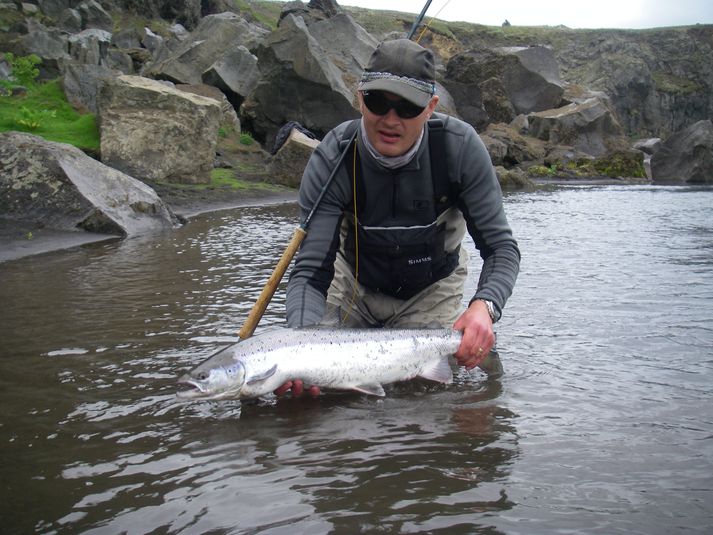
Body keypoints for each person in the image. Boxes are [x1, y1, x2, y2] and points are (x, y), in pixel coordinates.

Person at [278, 39, 520, 397]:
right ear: (359, 97)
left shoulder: (459, 148)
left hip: (431, 288)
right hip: (353, 286)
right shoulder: (334, 158)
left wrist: (485, 307)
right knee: (316, 387)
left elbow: (501, 249)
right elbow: (311, 273)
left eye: (407, 107)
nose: (390, 120)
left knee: (437, 396)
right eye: (378, 102)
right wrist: (300, 345)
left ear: (431, 106)